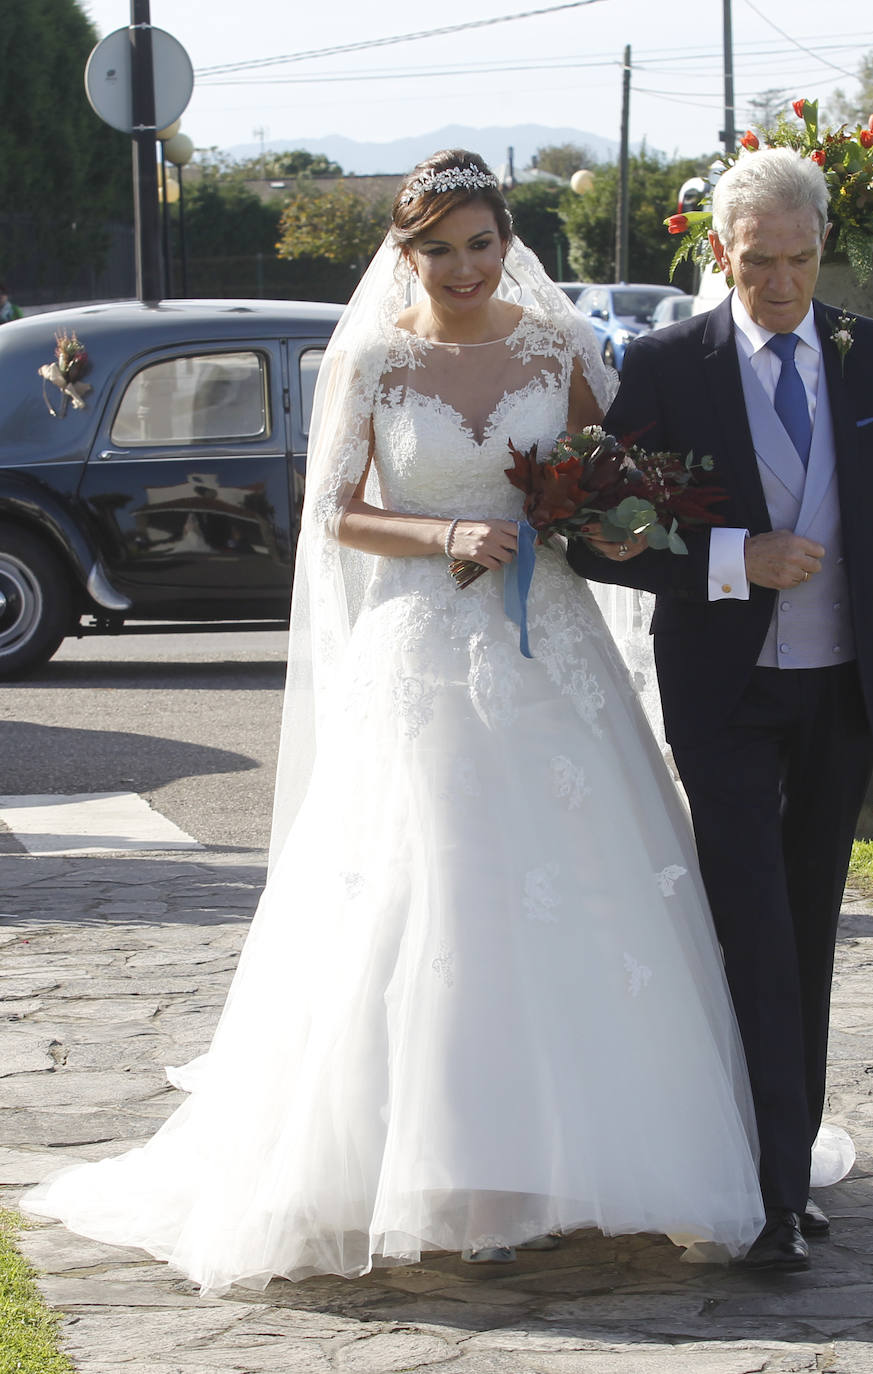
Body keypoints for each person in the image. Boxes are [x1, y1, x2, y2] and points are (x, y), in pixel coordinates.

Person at [23, 150, 764, 1294]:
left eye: (481, 243)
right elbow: (337, 516)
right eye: (439, 248)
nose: (464, 267)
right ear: (404, 254)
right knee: (431, 886)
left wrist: (609, 525)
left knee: (574, 883)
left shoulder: (555, 343)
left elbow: (611, 474)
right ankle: (438, 1167)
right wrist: (449, 537)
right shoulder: (373, 355)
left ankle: (581, 1160)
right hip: (422, 646)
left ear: (505, 241)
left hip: (544, 643)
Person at [568, 146, 873, 1270]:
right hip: (723, 694)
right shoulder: (670, 362)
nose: (781, 282)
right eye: (759, 259)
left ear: (824, 246)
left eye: (801, 257)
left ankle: (785, 1157)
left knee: (809, 930)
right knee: (752, 929)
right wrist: (736, 556)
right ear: (719, 250)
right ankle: (772, 1196)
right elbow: (603, 530)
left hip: (842, 696)